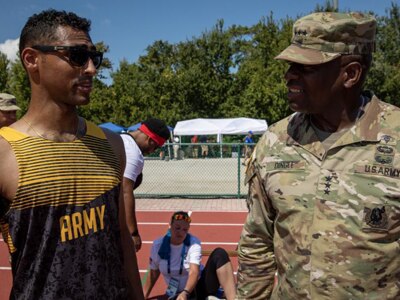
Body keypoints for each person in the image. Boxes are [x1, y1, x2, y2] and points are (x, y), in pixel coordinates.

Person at [237, 12, 400, 299]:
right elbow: (257, 245)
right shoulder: (275, 140)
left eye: (305, 67)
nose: (289, 75)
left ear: (350, 74)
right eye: (290, 65)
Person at [0, 9, 144, 299]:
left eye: (95, 58)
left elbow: (122, 242)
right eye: (77, 56)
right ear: (32, 60)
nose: (91, 68)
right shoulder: (5, 152)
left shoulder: (112, 145)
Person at [143, 211, 236, 300]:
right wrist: (142, 296)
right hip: (175, 292)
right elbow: (153, 272)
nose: (181, 232)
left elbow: (194, 272)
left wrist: (185, 292)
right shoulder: (158, 245)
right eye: (177, 228)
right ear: (170, 226)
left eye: (185, 230)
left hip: (198, 287)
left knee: (219, 254)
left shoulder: (193, 243)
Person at [121, 118, 170, 251]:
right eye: (155, 147)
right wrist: (133, 233)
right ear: (150, 140)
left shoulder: (120, 138)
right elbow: (125, 191)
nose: (152, 151)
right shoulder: (133, 153)